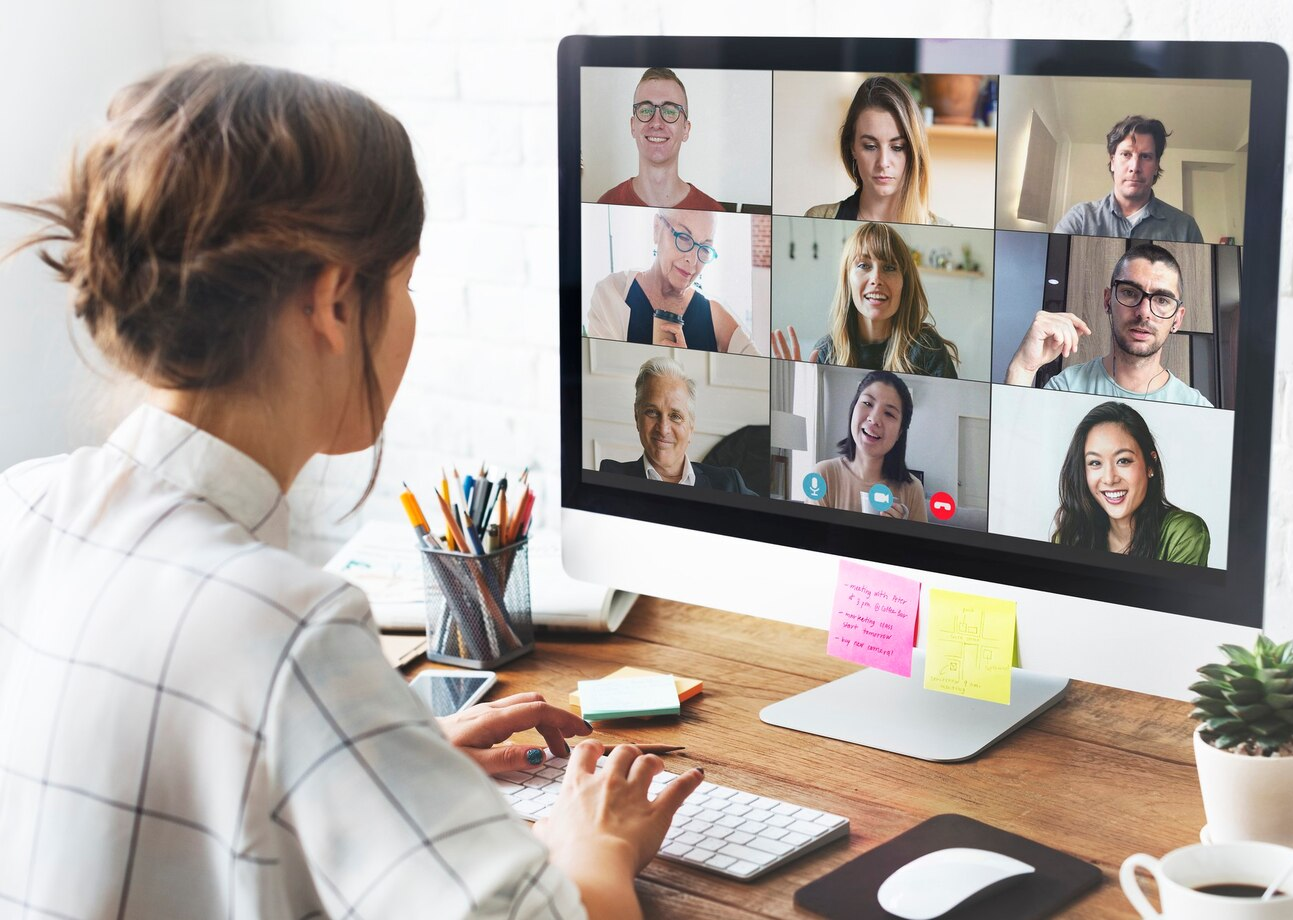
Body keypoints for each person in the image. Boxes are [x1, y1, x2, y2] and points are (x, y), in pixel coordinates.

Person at [0, 59, 702, 919]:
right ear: (334, 300)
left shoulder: (20, 508)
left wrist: (379, 755)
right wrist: (594, 841)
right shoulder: (287, 632)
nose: (409, 315)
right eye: (404, 283)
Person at [1003, 242, 1212, 407]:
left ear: (1177, 318)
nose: (1144, 313)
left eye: (1162, 300)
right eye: (1130, 293)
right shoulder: (1065, 388)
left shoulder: (1197, 408)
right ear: (1107, 300)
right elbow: (1014, 448)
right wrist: (1023, 368)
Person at [772, 221, 958, 377]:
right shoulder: (825, 352)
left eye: (890, 268)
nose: (876, 279)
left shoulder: (927, 349)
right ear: (847, 280)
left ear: (905, 282)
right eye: (863, 265)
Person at [1053, 401, 1209, 565]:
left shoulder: (1183, 533)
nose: (1109, 478)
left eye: (1123, 460)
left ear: (1150, 464)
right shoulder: (1068, 537)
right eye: (1095, 463)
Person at [586, 208, 759, 354]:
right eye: (684, 238)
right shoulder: (612, 294)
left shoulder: (716, 317)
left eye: (705, 248)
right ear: (657, 228)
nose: (692, 260)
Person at [804, 75, 949, 226]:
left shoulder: (945, 232)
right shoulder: (818, 220)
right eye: (870, 146)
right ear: (852, 147)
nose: (883, 162)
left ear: (914, 152)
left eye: (897, 147)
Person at [598, 357, 756, 494]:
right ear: (636, 416)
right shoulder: (611, 475)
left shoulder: (728, 483)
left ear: (691, 427)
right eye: (652, 412)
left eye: (675, 416)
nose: (663, 429)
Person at [1053, 115, 1205, 243]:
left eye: (1145, 156)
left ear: (1156, 165)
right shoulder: (1080, 219)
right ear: (1112, 162)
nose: (1135, 167)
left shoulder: (1186, 228)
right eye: (1126, 154)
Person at [596, 66, 725, 211]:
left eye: (670, 111)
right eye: (645, 110)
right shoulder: (606, 205)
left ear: (685, 129)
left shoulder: (714, 213)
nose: (656, 123)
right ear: (633, 126)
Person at [807, 371, 929, 521]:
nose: (874, 419)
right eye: (867, 403)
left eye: (889, 414)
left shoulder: (912, 489)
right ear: (853, 410)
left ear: (899, 432)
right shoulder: (823, 475)